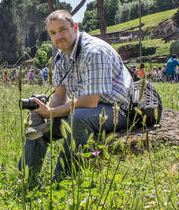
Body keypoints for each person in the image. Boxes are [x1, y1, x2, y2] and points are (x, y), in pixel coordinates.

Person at [19, 10, 132, 184]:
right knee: (37, 117)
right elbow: (59, 96)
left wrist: (52, 113)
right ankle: (26, 179)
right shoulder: (61, 56)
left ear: (75, 27)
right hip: (83, 108)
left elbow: (90, 101)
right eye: (53, 33)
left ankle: (61, 181)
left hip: (115, 111)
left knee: (77, 118)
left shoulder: (94, 52)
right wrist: (45, 111)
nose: (58, 36)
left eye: (62, 29)